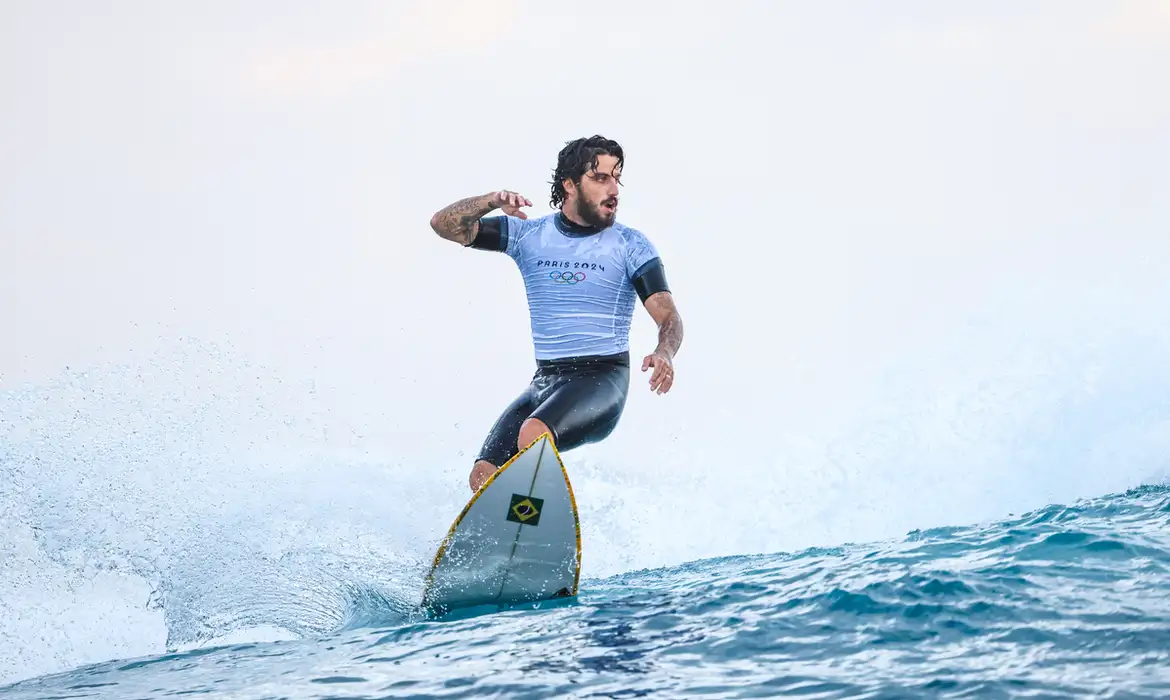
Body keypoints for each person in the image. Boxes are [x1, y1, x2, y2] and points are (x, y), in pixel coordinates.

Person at [428, 135, 684, 492]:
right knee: (483, 473)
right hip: (546, 382)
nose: (613, 189)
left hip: (602, 379)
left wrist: (664, 351)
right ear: (570, 184)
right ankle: (509, 537)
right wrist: (491, 200)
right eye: (600, 178)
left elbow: (668, 317)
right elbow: (443, 225)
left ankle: (534, 522)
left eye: (616, 178)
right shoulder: (529, 235)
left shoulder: (631, 245)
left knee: (533, 434)